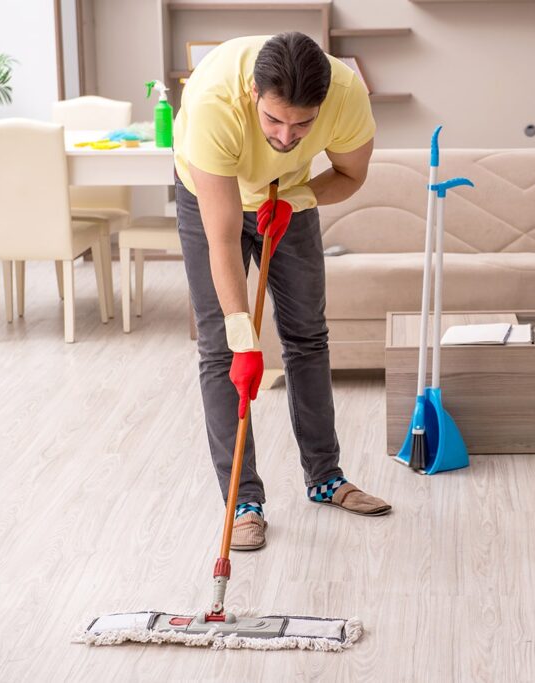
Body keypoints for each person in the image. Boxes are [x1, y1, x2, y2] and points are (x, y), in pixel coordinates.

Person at [173, 32, 392, 551]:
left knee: (308, 336)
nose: (287, 137)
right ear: (253, 94)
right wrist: (244, 341)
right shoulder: (213, 104)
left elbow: (350, 175)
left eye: (302, 124)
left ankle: (325, 477)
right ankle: (243, 501)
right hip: (210, 192)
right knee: (222, 348)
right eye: (274, 120)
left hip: (285, 196)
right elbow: (223, 238)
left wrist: (297, 197)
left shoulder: (345, 95)